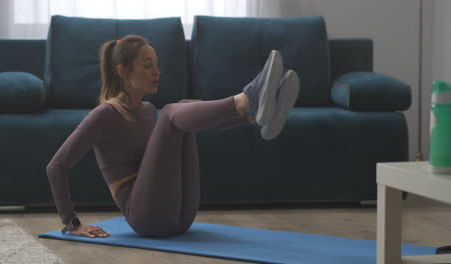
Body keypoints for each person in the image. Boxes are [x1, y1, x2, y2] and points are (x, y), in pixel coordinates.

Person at [46, 35, 300, 238]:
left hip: (180, 214)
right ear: (123, 72)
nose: (157, 71)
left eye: (156, 64)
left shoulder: (146, 110)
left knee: (184, 109)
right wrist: (72, 222)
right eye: (147, 66)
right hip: (145, 217)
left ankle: (254, 116)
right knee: (171, 113)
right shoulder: (104, 114)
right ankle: (246, 100)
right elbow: (56, 166)